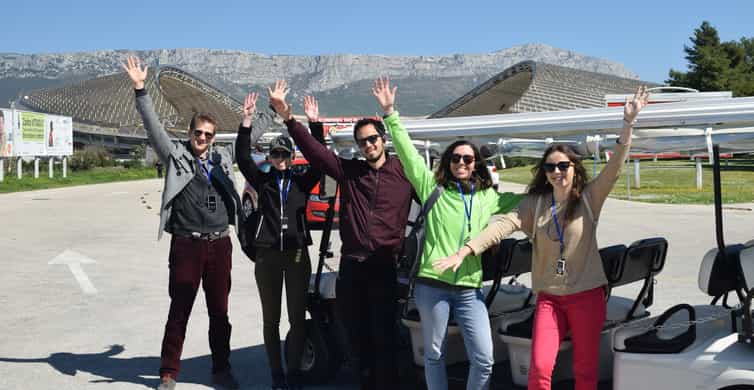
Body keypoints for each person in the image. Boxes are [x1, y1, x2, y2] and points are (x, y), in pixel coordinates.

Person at [437, 86, 650, 390]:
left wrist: (628, 123)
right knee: (538, 367)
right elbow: (501, 226)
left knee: (585, 371)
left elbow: (615, 168)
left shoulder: (590, 198)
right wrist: (465, 251)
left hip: (586, 296)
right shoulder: (535, 203)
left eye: (563, 165)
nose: (557, 171)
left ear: (574, 168)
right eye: (551, 167)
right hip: (549, 298)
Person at [372, 77, 521, 390]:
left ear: (476, 164)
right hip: (432, 286)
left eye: (468, 159)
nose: (462, 163)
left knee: (484, 358)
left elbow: (529, 201)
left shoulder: (488, 197)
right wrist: (390, 114)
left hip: (469, 290)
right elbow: (409, 155)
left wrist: (560, 181)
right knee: (434, 353)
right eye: (456, 158)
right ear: (448, 162)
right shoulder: (432, 189)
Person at [268, 80, 414, 389]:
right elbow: (316, 153)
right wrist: (290, 119)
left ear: (383, 139)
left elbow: (436, 201)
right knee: (357, 339)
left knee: (383, 339)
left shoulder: (404, 173)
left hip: (384, 265)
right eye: (363, 142)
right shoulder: (352, 172)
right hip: (352, 267)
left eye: (373, 139)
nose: (368, 145)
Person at [123, 56, 243, 390]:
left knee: (220, 313)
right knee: (180, 310)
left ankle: (221, 369)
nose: (202, 138)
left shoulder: (222, 159)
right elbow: (153, 127)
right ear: (189, 134)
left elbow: (246, 145)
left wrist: (261, 115)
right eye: (198, 133)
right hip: (187, 245)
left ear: (214, 137)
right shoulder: (175, 155)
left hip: (220, 244)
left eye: (208, 134)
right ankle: (168, 372)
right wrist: (140, 89)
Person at [235, 92, 326, 389]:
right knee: (270, 321)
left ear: (291, 156)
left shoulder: (301, 181)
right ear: (271, 158)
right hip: (267, 257)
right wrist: (246, 122)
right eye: (275, 155)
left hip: (297, 255)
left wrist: (314, 125)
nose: (280, 160)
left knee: (297, 320)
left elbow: (320, 160)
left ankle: (295, 373)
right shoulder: (262, 181)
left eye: (285, 154)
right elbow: (243, 157)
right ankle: (277, 375)